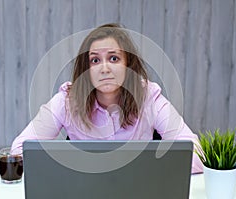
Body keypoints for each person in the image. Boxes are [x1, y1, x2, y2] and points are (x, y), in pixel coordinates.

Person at [11, 23, 203, 174]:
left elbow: (195, 154)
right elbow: (19, 151)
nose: (104, 69)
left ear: (129, 64)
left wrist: (145, 168)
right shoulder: (67, 101)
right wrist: (67, 169)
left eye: (113, 58)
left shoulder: (149, 97)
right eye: (95, 60)